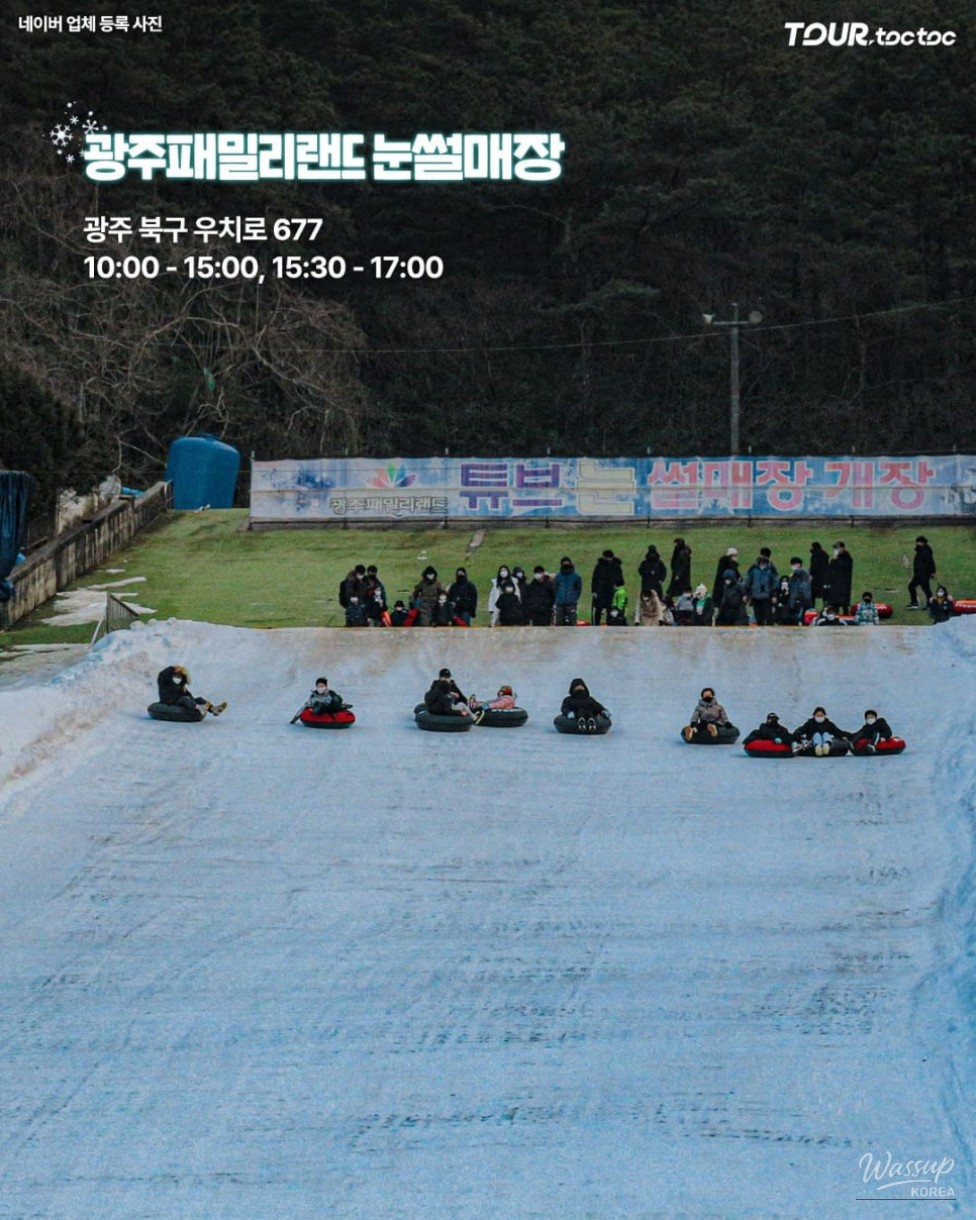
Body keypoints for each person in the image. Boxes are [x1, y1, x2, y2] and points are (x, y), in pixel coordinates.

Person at [156, 664, 226, 716]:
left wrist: (193, 700)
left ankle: (213, 709)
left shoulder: (179, 686)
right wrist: (173, 668)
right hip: (169, 700)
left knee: (199, 699)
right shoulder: (165, 682)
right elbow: (162, 675)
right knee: (184, 699)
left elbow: (187, 694)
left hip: (178, 700)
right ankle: (199, 708)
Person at [742, 550, 779, 625]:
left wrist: (774, 595)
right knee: (758, 619)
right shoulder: (753, 569)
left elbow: (775, 583)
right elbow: (748, 582)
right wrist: (746, 594)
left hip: (767, 598)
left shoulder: (771, 569)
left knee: (768, 619)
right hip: (756, 597)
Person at [590, 549, 622, 625]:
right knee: (598, 610)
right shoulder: (599, 566)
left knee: (610, 610)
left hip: (611, 592)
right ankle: (596, 625)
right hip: (600, 591)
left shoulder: (615, 566)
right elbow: (594, 579)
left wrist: (617, 587)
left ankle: (610, 624)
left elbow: (620, 579)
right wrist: (594, 591)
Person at [907, 535, 936, 609]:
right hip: (918, 574)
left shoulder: (926, 552)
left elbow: (930, 562)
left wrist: (931, 572)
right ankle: (915, 603)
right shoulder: (920, 551)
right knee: (912, 587)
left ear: (923, 543)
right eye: (917, 542)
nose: (917, 543)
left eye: (919, 542)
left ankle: (929, 604)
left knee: (925, 589)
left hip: (923, 574)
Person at [824, 541, 853, 615]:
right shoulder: (834, 559)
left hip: (844, 585)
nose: (836, 550)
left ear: (842, 548)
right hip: (835, 585)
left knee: (844, 605)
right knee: (834, 604)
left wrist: (836, 559)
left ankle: (846, 617)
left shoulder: (847, 558)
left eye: (837, 548)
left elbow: (844, 567)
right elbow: (830, 571)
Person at [554, 555, 582, 626]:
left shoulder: (576, 576)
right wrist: (558, 598)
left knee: (572, 623)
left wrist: (574, 598)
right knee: (559, 624)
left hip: (571, 604)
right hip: (560, 605)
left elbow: (578, 589)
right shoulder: (558, 577)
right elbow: (555, 589)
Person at [787, 557, 813, 624]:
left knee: (800, 620)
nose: (792, 566)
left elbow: (803, 589)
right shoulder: (796, 575)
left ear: (798, 564)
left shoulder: (802, 575)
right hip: (796, 601)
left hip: (800, 602)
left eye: (793, 564)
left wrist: (799, 599)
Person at [809, 542, 829, 607]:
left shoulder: (815, 555)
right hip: (824, 578)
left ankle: (812, 608)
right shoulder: (825, 555)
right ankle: (826, 608)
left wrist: (810, 573)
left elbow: (814, 567)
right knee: (825, 595)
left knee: (812, 594)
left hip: (816, 579)